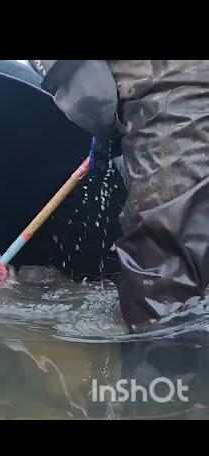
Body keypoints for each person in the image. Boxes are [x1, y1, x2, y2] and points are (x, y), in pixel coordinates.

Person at [28, 60, 209, 333]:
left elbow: (90, 96)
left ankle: (165, 368)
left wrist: (107, 126)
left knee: (162, 280)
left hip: (171, 85)